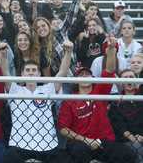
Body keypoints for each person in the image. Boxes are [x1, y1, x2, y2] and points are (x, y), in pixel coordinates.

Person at [58, 35, 136, 163]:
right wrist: (86, 140)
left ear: (93, 78)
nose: (84, 76)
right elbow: (63, 128)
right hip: (81, 143)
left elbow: (109, 69)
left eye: (87, 74)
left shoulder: (99, 91)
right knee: (77, 152)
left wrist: (111, 49)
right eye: (81, 74)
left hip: (103, 141)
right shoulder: (70, 99)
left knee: (128, 154)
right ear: (76, 80)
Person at [1, 40, 74, 163]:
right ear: (22, 74)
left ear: (40, 74)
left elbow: (62, 72)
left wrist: (68, 52)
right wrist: (2, 55)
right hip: (20, 143)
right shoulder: (15, 89)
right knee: (8, 158)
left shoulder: (47, 88)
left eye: (34, 70)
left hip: (47, 144)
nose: (31, 73)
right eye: (28, 70)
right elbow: (5, 73)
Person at [109, 69, 143, 163]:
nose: (129, 80)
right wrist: (132, 137)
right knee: (137, 147)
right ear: (121, 82)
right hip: (127, 140)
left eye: (131, 77)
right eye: (125, 77)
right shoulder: (116, 102)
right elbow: (118, 125)